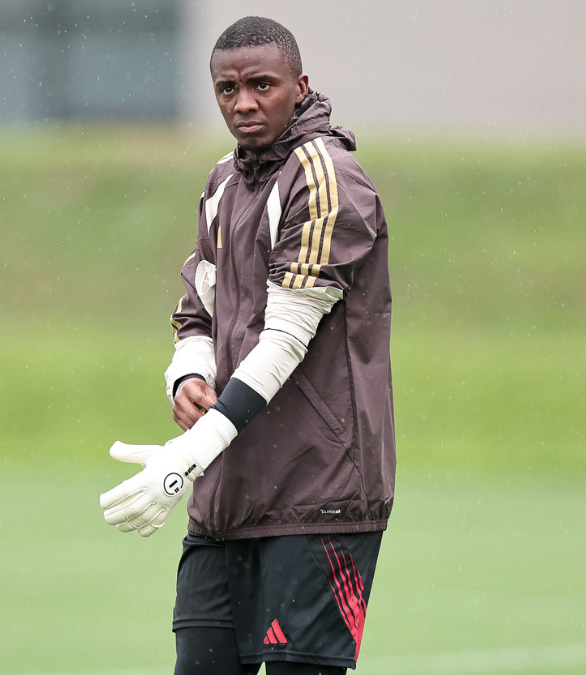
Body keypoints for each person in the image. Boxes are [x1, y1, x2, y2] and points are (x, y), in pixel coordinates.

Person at [99, 17, 394, 675]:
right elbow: (197, 310)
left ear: (300, 86)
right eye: (227, 89)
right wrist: (187, 377)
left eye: (263, 85)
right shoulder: (222, 183)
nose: (244, 104)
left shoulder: (327, 177)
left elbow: (286, 337)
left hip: (319, 495)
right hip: (227, 494)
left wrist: (186, 455)